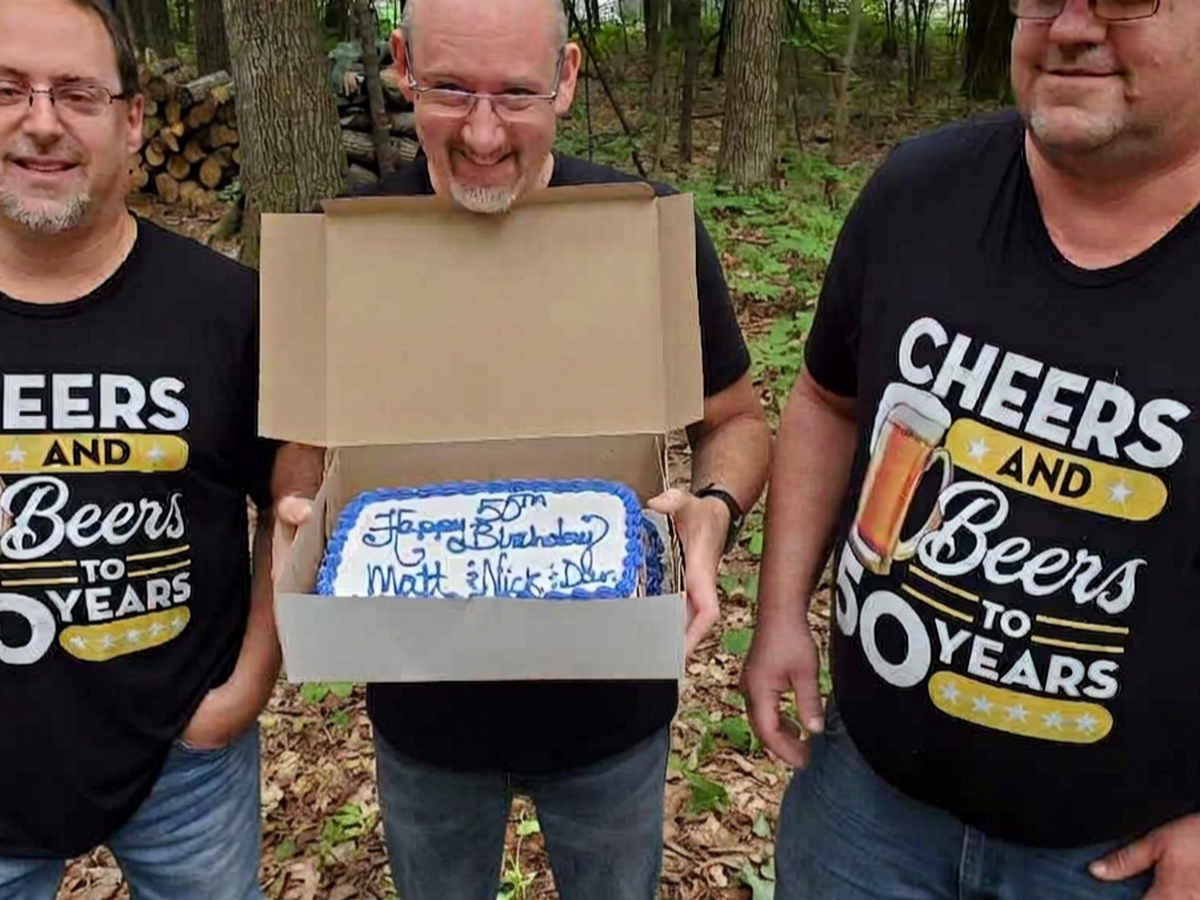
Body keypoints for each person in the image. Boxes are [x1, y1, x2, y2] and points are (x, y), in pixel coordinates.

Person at [275, 0, 771, 897]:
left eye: (515, 94)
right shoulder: (346, 247)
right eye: (449, 89)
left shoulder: (643, 231)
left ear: (567, 78)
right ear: (400, 64)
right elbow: (300, 455)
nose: (483, 133)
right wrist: (302, 515)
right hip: (423, 724)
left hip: (612, 719)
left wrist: (715, 509)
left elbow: (736, 421)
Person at [741, 0, 1200, 896]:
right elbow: (827, 401)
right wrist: (781, 608)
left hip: (1112, 861)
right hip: (861, 810)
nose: (1071, 25)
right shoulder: (922, 190)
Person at [0, 0, 303, 896]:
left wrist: (246, 686)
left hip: (185, 764)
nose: (42, 121)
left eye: (77, 94)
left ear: (133, 120)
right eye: (8, 89)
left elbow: (292, 496)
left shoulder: (229, 309)